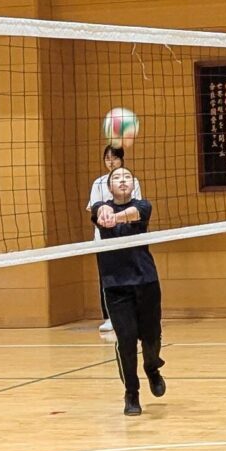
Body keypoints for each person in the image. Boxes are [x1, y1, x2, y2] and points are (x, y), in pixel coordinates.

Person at [92, 166, 164, 415]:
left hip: (146, 281)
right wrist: (104, 212)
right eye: (116, 178)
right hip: (116, 285)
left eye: (127, 177)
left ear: (133, 184)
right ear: (109, 187)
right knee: (126, 340)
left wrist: (117, 217)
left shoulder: (143, 206)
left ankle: (152, 367)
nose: (122, 181)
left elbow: (134, 214)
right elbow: (99, 211)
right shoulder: (100, 207)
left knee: (152, 336)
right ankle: (131, 393)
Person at [90, 143, 128, 340]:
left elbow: (135, 208)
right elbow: (94, 209)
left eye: (115, 158)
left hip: (127, 239)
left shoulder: (130, 181)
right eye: (107, 158)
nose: (111, 162)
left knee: (128, 276)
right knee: (107, 279)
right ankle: (109, 317)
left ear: (122, 159)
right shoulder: (98, 183)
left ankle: (129, 314)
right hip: (103, 241)